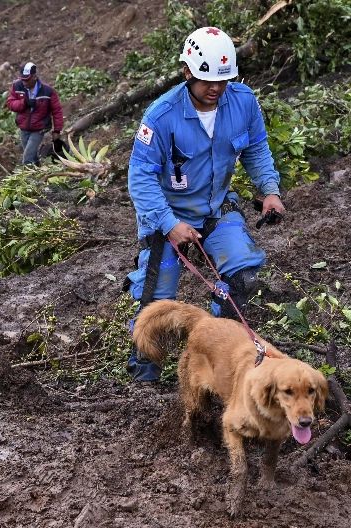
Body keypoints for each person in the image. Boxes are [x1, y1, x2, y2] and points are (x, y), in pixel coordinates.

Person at [124, 27, 285, 382]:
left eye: (223, 80)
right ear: (187, 73)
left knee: (241, 276)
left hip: (215, 208)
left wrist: (269, 190)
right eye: (206, 80)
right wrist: (168, 224)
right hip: (167, 214)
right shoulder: (161, 116)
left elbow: (256, 149)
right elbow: (140, 178)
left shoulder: (243, 102)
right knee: (157, 298)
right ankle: (144, 371)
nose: (216, 88)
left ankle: (220, 359)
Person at [5, 61, 64, 165]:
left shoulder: (48, 91)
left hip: (39, 128)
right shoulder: (17, 86)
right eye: (23, 80)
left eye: (27, 80)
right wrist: (24, 103)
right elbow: (10, 103)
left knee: (27, 158)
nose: (24, 83)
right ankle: (38, 172)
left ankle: (27, 178)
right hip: (24, 127)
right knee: (32, 156)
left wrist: (57, 130)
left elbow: (57, 111)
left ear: (34, 77)